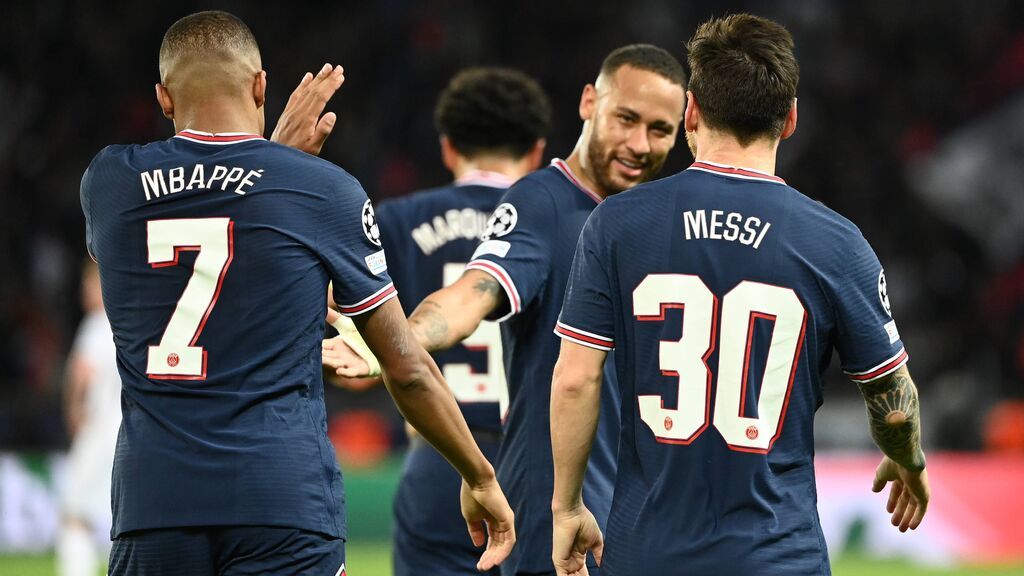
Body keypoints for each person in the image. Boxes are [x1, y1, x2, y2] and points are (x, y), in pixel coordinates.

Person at [80, 11, 514, 576]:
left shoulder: (109, 182)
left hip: (153, 504)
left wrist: (272, 160)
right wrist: (479, 474)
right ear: (261, 85)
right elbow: (405, 367)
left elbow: (208, 211)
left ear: (164, 98)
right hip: (282, 502)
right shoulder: (320, 189)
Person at [549, 13, 930, 576]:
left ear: (692, 111)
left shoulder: (617, 224)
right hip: (779, 557)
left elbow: (576, 378)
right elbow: (893, 408)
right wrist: (910, 462)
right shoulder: (835, 243)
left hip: (647, 554)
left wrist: (566, 506)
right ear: (791, 118)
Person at [325, 45, 686, 576]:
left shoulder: (651, 222)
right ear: (590, 102)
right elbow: (472, 294)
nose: (639, 144)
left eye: (660, 130)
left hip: (626, 518)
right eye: (626, 118)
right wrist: (394, 341)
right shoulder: (544, 201)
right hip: (548, 515)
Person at [326, 66, 550, 576]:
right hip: (537, 463)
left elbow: (358, 348)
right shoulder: (558, 221)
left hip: (438, 459)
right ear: (537, 152)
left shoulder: (399, 220)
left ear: (448, 147)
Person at [58, 260, 121, 576]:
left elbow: (81, 374)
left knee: (74, 513)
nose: (84, 292)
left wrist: (72, 410)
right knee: (118, 515)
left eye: (88, 284)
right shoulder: (127, 322)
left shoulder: (97, 324)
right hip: (127, 434)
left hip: (98, 430)